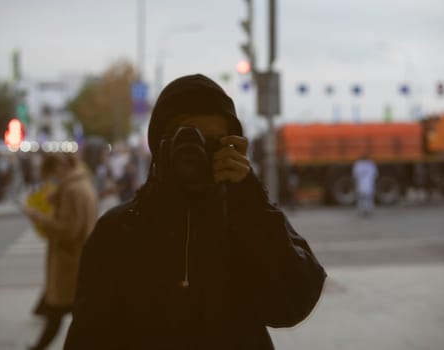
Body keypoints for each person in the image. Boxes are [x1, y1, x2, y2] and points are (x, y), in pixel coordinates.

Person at [64, 74, 326, 350]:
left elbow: (292, 305)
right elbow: (87, 338)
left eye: (212, 142)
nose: (197, 153)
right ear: (160, 145)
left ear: (231, 147)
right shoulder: (118, 231)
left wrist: (250, 198)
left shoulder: (246, 217)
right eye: (187, 139)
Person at [23, 153, 98, 350]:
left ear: (58, 168)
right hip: (78, 258)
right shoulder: (81, 183)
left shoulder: (71, 190)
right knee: (68, 317)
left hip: (69, 261)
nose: (52, 180)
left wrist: (37, 216)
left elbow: (68, 229)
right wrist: (56, 199)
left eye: (51, 175)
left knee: (59, 314)